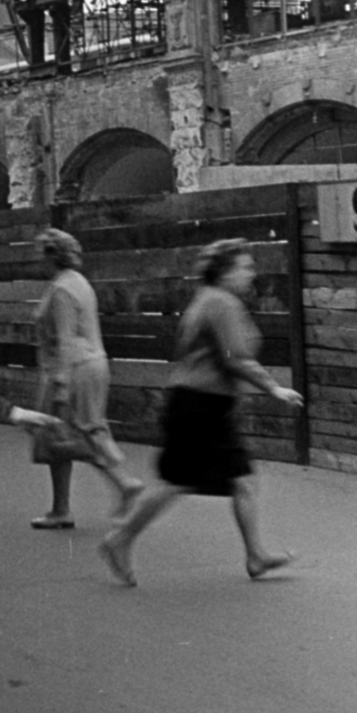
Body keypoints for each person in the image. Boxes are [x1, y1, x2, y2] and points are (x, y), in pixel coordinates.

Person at [99, 238, 303, 588]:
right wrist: (274, 388)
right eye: (245, 267)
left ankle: (255, 555)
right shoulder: (221, 303)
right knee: (178, 481)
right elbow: (234, 357)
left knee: (242, 480)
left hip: (203, 404)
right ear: (224, 272)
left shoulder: (206, 299)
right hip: (199, 406)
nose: (251, 274)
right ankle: (120, 538)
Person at [29, 229, 142, 529]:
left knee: (68, 434)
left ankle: (123, 484)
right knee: (70, 434)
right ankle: (62, 507)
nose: (37, 259)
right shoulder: (78, 283)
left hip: (72, 367)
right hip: (90, 363)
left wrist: (62, 386)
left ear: (53, 255)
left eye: (41, 253)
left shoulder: (62, 289)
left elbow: (65, 339)